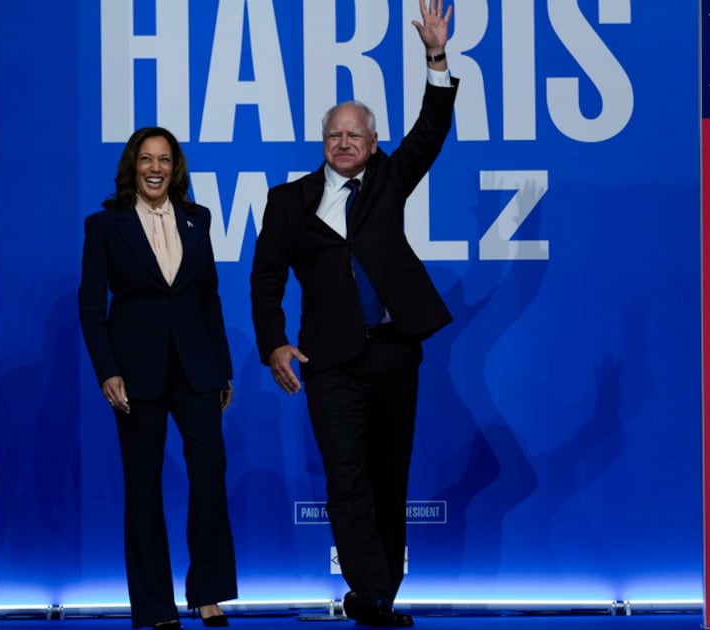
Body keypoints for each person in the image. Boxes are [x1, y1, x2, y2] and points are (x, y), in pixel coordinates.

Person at [249, 1, 456, 626]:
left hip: (393, 350)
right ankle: (370, 592)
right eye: (333, 135)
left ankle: (379, 594)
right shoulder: (288, 201)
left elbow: (432, 128)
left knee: (389, 477)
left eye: (354, 135)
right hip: (330, 360)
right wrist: (273, 343)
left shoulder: (389, 180)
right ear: (323, 143)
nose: (343, 143)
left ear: (373, 144)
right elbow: (265, 278)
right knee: (346, 478)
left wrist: (436, 56)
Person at [79, 126, 237, 629]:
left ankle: (208, 592)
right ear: (134, 165)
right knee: (143, 487)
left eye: (164, 160)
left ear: (175, 168)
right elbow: (91, 306)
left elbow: (209, 295)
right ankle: (155, 606)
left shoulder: (198, 218)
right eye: (146, 159)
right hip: (135, 373)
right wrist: (108, 370)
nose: (155, 168)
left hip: (197, 369)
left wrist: (223, 368)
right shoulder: (105, 225)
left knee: (209, 474)